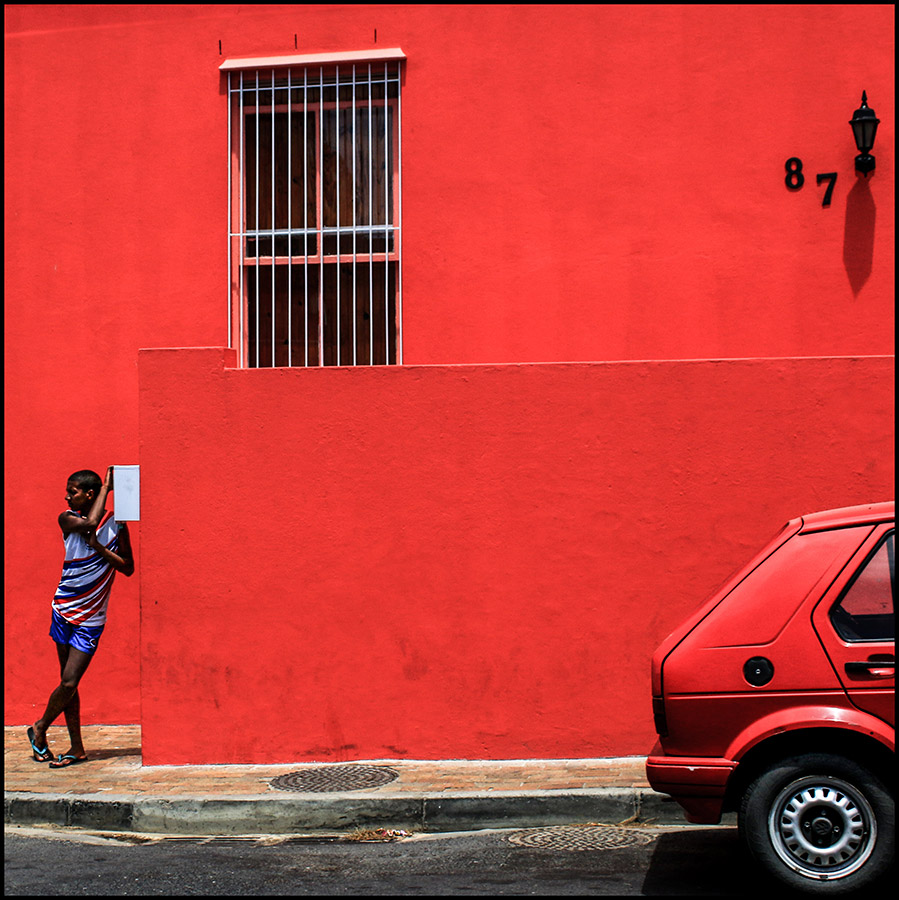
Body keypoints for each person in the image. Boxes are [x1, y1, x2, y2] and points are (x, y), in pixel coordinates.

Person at [27, 466, 134, 768]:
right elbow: (89, 524)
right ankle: (77, 748)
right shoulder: (67, 518)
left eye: (72, 491)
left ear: (89, 493)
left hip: (91, 618)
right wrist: (106, 489)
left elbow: (127, 567)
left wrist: (100, 548)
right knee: (67, 683)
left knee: (70, 681)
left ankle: (39, 727)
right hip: (64, 609)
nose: (67, 495)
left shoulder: (116, 524)